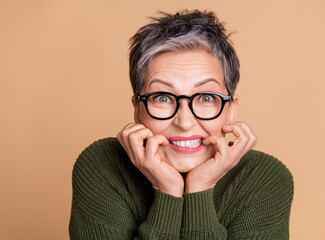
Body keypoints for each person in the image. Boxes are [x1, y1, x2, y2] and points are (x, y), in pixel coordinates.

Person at [69, 10, 294, 239]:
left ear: (231, 109)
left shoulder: (265, 180)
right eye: (163, 98)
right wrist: (167, 191)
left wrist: (200, 189)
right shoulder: (103, 166)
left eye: (206, 98)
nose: (185, 122)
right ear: (137, 109)